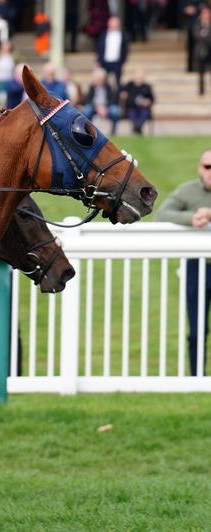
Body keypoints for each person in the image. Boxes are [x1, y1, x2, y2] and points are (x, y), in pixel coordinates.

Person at [154, 148, 211, 376]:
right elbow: (162, 215)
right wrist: (191, 218)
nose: (210, 172)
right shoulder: (187, 191)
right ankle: (196, 377)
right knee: (197, 328)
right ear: (200, 168)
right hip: (196, 267)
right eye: (207, 167)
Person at [81, 67, 121, 135]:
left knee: (115, 111)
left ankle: (113, 131)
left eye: (101, 79)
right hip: (94, 106)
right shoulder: (92, 87)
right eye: (98, 79)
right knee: (87, 110)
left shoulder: (108, 87)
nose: (100, 80)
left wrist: (105, 108)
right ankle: (88, 130)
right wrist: (97, 107)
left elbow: (112, 99)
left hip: (106, 106)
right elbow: (88, 100)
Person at [96, 16, 130, 88]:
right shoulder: (103, 34)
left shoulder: (123, 35)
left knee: (118, 81)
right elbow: (99, 48)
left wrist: (123, 59)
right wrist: (98, 60)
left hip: (117, 61)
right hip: (105, 61)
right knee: (103, 81)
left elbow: (125, 49)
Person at [119, 68, 154, 135]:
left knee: (144, 113)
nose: (139, 79)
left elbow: (152, 99)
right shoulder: (129, 85)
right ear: (134, 77)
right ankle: (138, 129)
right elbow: (125, 97)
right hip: (131, 107)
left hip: (143, 108)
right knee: (132, 113)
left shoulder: (147, 87)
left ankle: (137, 128)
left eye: (140, 77)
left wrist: (147, 102)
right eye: (137, 77)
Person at [193, 5, 211, 96]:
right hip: (202, 48)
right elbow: (196, 35)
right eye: (204, 13)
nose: (205, 15)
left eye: (207, 13)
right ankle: (201, 89)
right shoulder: (198, 24)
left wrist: (205, 34)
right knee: (201, 70)